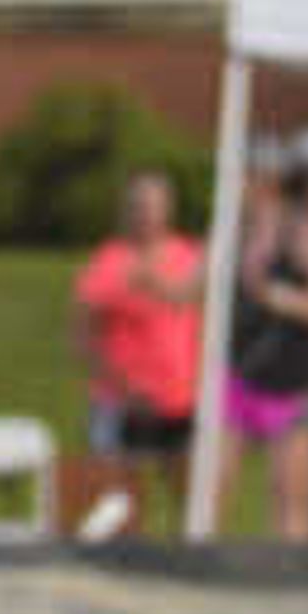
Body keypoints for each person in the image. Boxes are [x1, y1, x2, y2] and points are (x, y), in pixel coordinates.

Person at [218, 124, 308, 540]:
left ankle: (290, 582)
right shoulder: (233, 232)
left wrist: (277, 297)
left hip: (294, 385)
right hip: (240, 375)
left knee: (290, 497)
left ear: (269, 180)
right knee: (212, 486)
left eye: (246, 176)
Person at [69, 160, 205, 533]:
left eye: (156, 204)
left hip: (180, 399)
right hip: (123, 402)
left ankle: (186, 565)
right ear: (127, 209)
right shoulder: (108, 263)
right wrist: (124, 387)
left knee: (192, 497)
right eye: (140, 204)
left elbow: (190, 300)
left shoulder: (188, 257)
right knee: (119, 501)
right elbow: (82, 337)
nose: (147, 213)